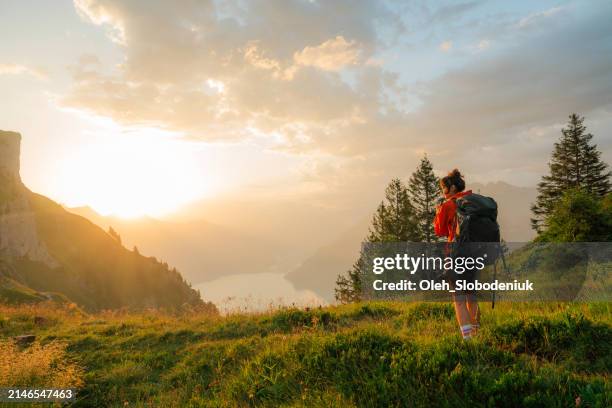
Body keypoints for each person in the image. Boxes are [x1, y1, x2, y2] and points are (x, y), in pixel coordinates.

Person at [434, 169, 480, 340]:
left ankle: (469, 341)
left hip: (457, 254)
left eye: (443, 188)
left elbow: (440, 231)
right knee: (471, 296)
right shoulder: (472, 201)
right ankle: (477, 333)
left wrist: (439, 211)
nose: (442, 192)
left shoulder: (448, 205)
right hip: (475, 253)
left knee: (458, 299)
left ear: (452, 188)